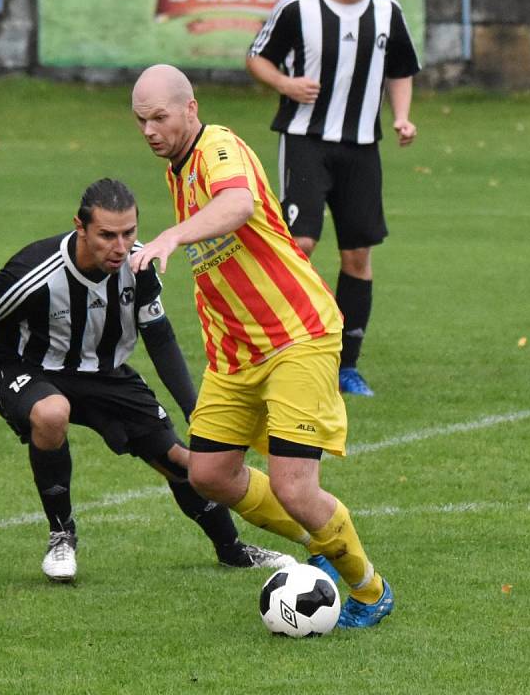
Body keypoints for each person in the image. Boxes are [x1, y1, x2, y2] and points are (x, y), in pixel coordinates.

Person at [130, 64, 393, 628]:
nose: (150, 130)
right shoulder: (177, 169)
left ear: (190, 108)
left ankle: (369, 589)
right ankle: (319, 540)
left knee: (297, 485)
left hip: (296, 333)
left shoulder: (217, 145)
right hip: (237, 352)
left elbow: (238, 206)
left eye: (159, 117)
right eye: (141, 121)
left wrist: (172, 235)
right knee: (209, 474)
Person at [0, 178, 297, 582]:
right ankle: (62, 537)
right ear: (80, 227)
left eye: (128, 233)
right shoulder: (35, 269)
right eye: (107, 235)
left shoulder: (138, 264)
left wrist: (195, 411)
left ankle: (232, 550)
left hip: (104, 375)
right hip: (25, 367)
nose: (120, 246)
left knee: (183, 461)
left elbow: (160, 336)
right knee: (51, 412)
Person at [246, 0, 420, 397]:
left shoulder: (387, 12)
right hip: (305, 139)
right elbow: (257, 56)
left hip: (362, 146)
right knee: (300, 244)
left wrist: (402, 117)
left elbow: (401, 69)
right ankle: (282, 348)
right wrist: (285, 84)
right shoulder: (299, 7)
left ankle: (346, 366)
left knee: (357, 256)